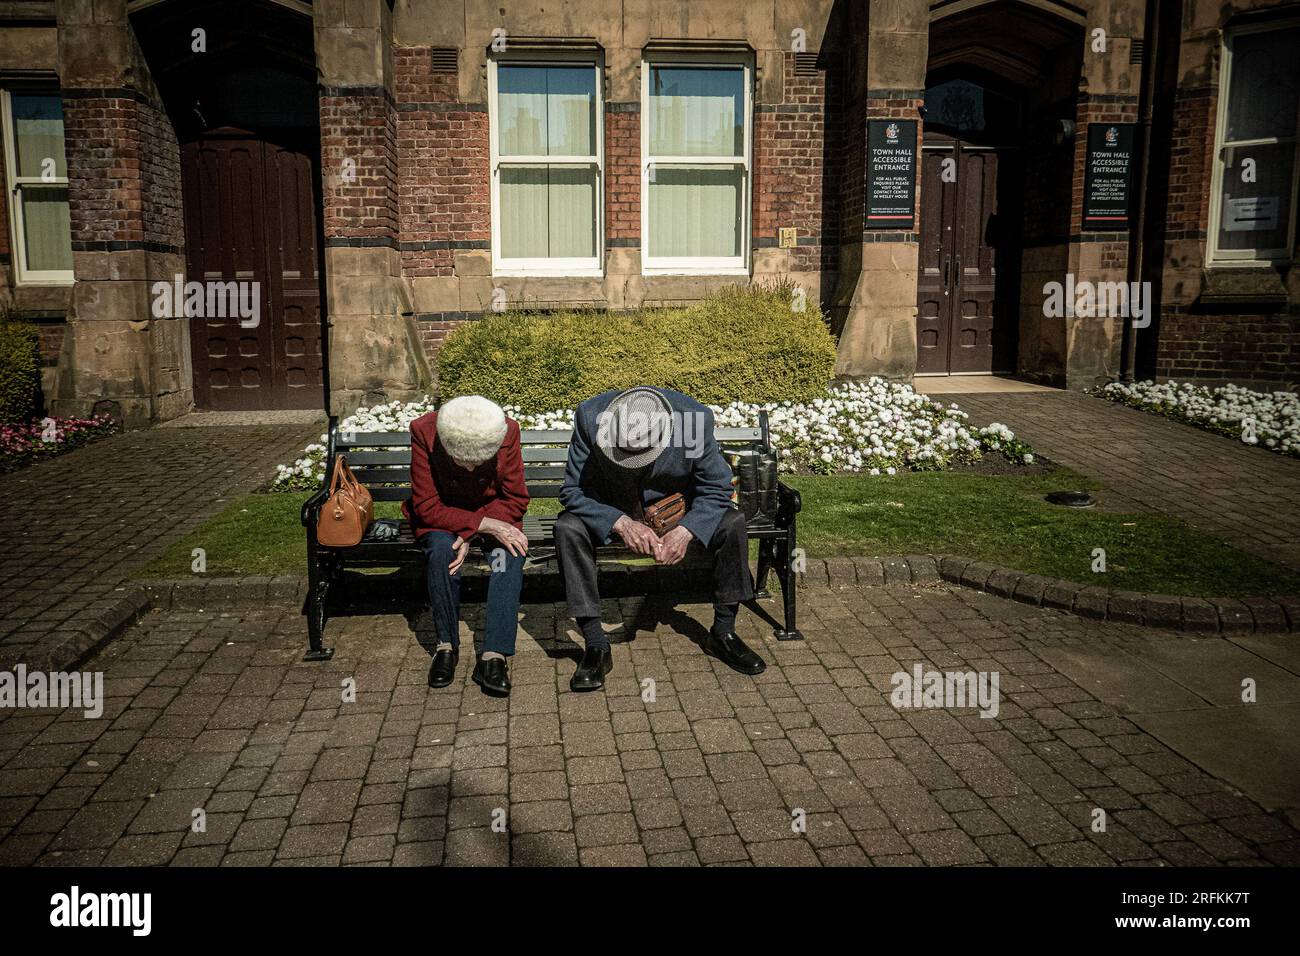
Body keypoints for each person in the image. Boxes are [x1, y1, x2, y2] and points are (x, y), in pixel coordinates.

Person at [556, 385, 766, 692]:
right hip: (614, 508)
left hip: (675, 511)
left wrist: (686, 531)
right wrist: (620, 522)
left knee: (732, 523)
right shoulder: (590, 417)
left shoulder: (692, 422)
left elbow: (718, 487)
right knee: (567, 528)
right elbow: (572, 491)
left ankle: (723, 633)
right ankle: (596, 645)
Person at [404, 395, 529, 697]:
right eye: (464, 461)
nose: (472, 470)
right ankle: (446, 645)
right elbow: (426, 505)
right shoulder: (424, 431)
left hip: (495, 515)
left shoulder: (507, 431)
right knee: (441, 552)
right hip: (443, 518)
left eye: (479, 462)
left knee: (509, 554)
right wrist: (478, 526)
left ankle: (494, 655)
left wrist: (473, 532)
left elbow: (515, 498)